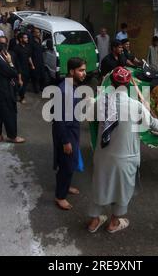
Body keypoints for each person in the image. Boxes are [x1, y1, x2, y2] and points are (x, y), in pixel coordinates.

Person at [87, 66, 158, 233]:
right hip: (126, 158)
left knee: (100, 186)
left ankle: (94, 221)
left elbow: (89, 117)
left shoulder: (101, 101)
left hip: (102, 156)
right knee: (123, 190)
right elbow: (156, 128)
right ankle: (113, 223)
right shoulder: (136, 106)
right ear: (128, 85)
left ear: (111, 83)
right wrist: (148, 109)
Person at [52, 58, 87, 210]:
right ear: (71, 71)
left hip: (72, 131)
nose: (84, 73)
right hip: (65, 133)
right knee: (66, 164)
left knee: (70, 163)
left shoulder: (72, 86)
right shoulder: (63, 90)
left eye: (84, 70)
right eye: (81, 70)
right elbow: (58, 119)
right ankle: (60, 196)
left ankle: (66, 187)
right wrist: (65, 141)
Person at [0, 42, 25, 144]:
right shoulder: (0, 62)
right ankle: (12, 136)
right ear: (3, 51)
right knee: (9, 114)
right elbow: (13, 73)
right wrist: (10, 62)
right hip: (4, 92)